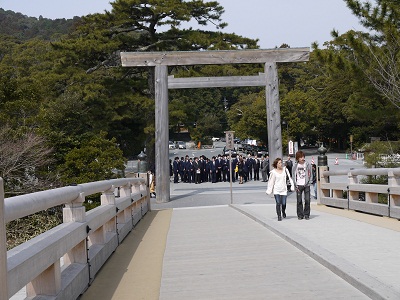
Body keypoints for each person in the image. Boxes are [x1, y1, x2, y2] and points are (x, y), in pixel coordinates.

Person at [292, 150, 313, 220]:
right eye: (300, 157)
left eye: (303, 157)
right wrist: (295, 184)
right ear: (297, 158)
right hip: (298, 184)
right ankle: (300, 215)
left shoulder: (307, 164)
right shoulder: (295, 166)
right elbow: (293, 175)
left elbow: (311, 174)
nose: (302, 158)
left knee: (307, 200)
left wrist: (309, 182)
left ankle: (306, 214)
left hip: (306, 184)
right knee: (299, 201)